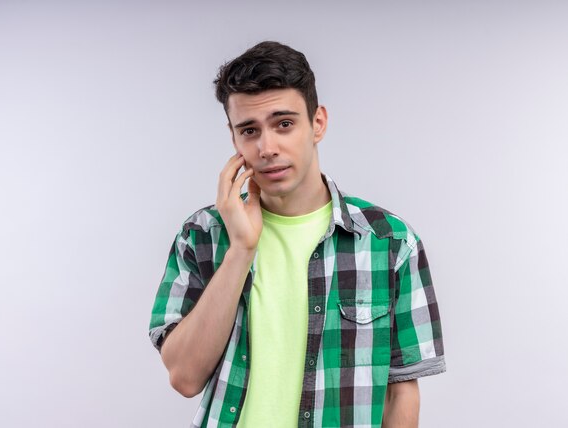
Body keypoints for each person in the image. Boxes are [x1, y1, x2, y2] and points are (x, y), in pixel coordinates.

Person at [149, 41, 445, 428]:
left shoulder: (389, 242)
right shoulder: (203, 235)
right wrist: (241, 248)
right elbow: (184, 378)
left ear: (317, 123)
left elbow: (401, 393)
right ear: (234, 138)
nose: (267, 147)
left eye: (284, 124)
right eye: (249, 130)